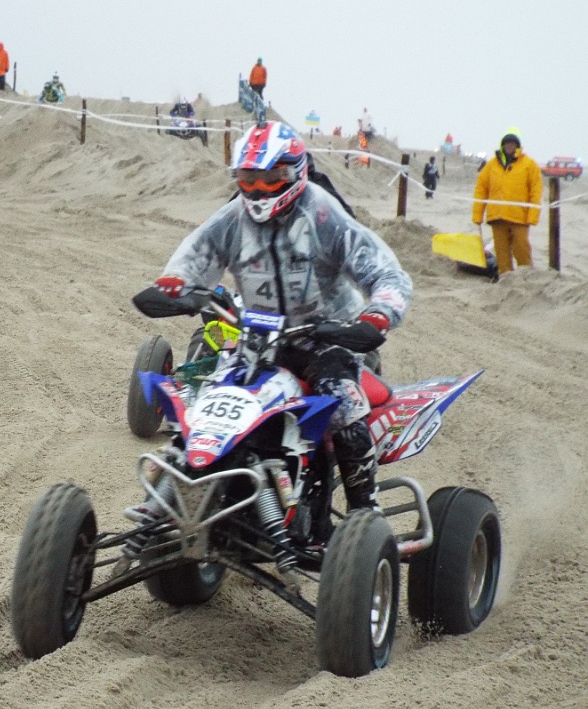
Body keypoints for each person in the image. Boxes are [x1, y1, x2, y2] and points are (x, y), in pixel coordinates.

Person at [152, 121, 412, 523]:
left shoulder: (322, 213)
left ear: (294, 172)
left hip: (330, 340)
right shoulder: (233, 217)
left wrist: (377, 314)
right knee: (207, 401)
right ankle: (186, 497)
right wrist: (173, 285)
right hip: (260, 341)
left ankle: (365, 514)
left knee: (341, 405)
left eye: (272, 178)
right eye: (248, 178)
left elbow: (385, 271)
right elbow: (195, 253)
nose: (258, 190)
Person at [471, 128, 542, 275]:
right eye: (507, 144)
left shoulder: (529, 165)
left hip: (519, 217)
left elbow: (536, 191)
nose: (509, 147)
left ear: (517, 146)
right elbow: (481, 190)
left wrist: (532, 216)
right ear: (502, 146)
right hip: (497, 217)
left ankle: (527, 278)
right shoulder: (491, 165)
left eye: (512, 144)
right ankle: (505, 280)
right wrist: (477, 215)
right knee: (502, 253)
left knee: (522, 249)